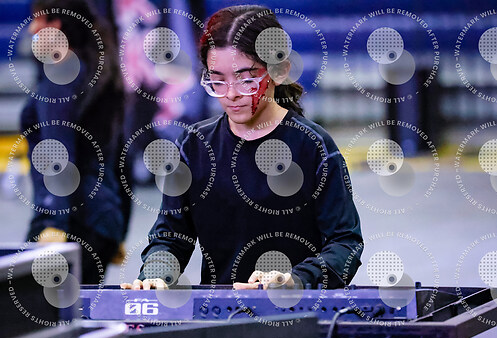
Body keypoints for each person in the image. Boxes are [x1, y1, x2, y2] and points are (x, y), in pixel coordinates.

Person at [122, 5, 363, 291]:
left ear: (279, 70)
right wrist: (156, 274)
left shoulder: (313, 146)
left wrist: (297, 279)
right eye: (218, 81)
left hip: (298, 310)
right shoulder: (194, 146)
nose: (232, 94)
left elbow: (345, 243)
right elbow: (170, 237)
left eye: (247, 80)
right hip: (219, 312)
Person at [21, 0, 130, 283]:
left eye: (37, 20)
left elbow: (57, 154)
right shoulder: (101, 72)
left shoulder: (60, 74)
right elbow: (122, 159)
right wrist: (118, 228)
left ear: (55, 25)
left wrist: (52, 221)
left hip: (70, 223)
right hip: (103, 223)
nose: (32, 29)